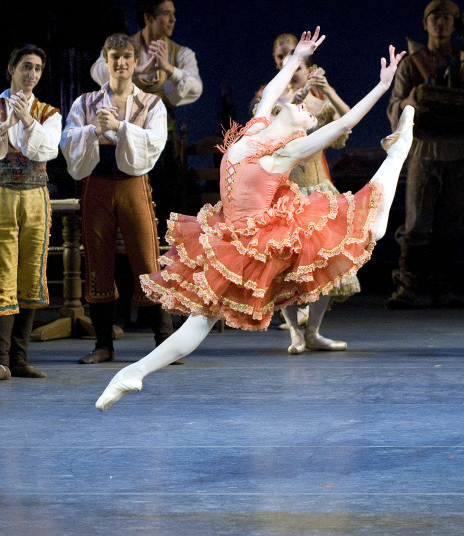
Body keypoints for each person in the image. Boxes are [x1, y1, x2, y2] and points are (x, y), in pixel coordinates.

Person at [95, 27, 413, 412]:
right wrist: (297, 56)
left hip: (249, 241)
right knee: (199, 323)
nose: (303, 106)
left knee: (369, 224)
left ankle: (400, 148)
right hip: (246, 244)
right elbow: (278, 90)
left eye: (307, 113)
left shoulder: (271, 142)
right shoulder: (265, 132)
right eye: (301, 108)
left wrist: (380, 88)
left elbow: (342, 125)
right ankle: (133, 373)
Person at [60, 33, 171, 364]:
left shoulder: (151, 104)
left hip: (132, 184)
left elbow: (156, 142)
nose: (121, 62)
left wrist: (122, 126)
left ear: (135, 62)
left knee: (147, 261)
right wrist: (94, 130)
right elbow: (67, 140)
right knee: (98, 263)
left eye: (126, 56)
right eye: (114, 57)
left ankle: (164, 343)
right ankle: (104, 345)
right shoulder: (85, 103)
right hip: (97, 185)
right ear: (104, 60)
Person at [386, 0, 464, 309]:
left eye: (448, 17)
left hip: (460, 150)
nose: (442, 22)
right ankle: (407, 287)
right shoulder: (413, 63)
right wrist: (410, 101)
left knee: (451, 223)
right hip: (425, 149)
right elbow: (394, 107)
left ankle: (442, 286)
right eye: (435, 16)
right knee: (417, 222)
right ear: (425, 23)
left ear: (455, 23)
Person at [90, 0, 203, 232]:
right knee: (127, 200)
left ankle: (160, 251)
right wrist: (137, 70)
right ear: (148, 17)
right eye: (166, 14)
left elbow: (195, 89)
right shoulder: (124, 47)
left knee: (161, 198)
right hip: (126, 135)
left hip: (160, 138)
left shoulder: (179, 53)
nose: (172, 20)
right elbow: (97, 71)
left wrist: (168, 68)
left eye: (174, 14)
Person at [273, 53, 359, 354]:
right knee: (283, 267)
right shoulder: (274, 103)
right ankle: (295, 333)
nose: (292, 73)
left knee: (325, 263)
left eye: (297, 67)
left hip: (319, 191)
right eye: (287, 68)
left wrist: (329, 89)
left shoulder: (319, 106)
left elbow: (347, 119)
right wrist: (290, 100)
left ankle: (313, 331)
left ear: (308, 70)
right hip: (287, 193)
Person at [0, 44, 62, 380]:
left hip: (35, 197)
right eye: (26, 66)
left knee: (29, 274)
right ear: (11, 68)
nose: (32, 74)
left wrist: (25, 119)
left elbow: (47, 151)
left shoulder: (48, 112)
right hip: (1, 196)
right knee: (2, 273)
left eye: (37, 68)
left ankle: (19, 358)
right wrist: (7, 123)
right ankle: (1, 359)